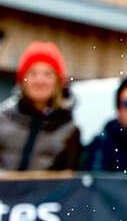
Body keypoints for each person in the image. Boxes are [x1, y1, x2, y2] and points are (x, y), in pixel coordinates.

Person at [0, 42, 80, 172]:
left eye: (47, 74)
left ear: (58, 82)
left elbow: (68, 182)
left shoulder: (69, 130)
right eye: (32, 73)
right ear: (22, 80)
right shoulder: (3, 119)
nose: (40, 81)